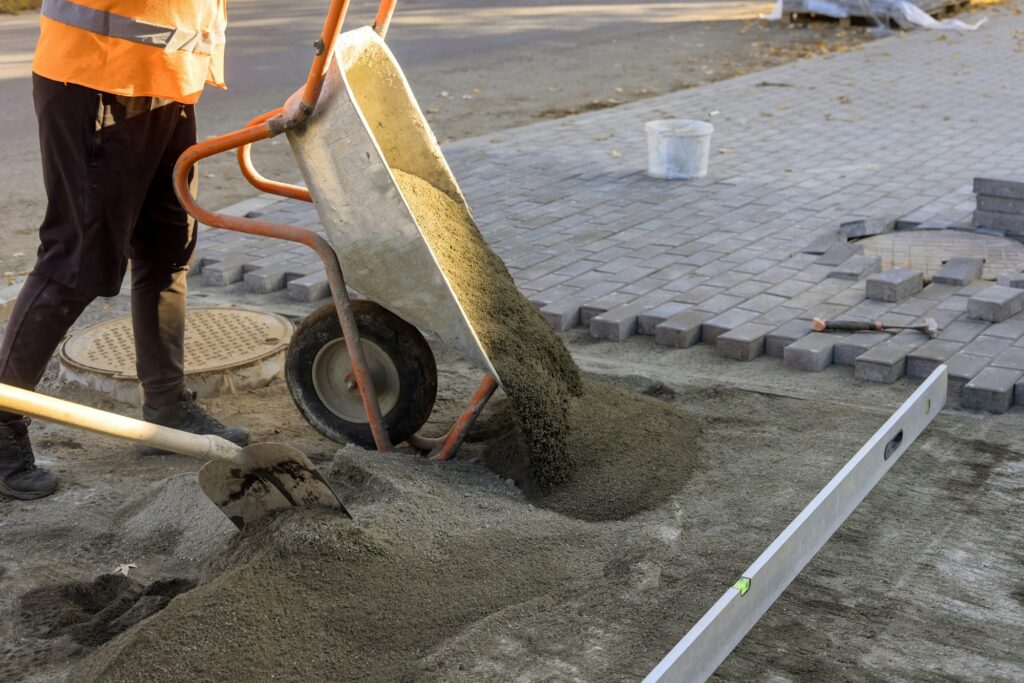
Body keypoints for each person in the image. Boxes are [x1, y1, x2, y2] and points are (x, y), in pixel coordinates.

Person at [0, 0, 249, 501]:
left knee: (168, 249)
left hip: (168, 82)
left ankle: (166, 405)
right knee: (76, 263)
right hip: (98, 78)